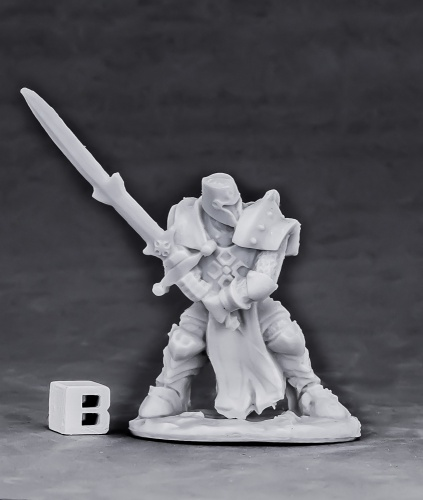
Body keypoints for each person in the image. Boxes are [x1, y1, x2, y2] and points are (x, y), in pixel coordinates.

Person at [139, 173, 350, 421]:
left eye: (234, 203)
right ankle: (170, 391)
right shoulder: (185, 220)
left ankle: (310, 390)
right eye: (224, 207)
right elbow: (182, 271)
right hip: (205, 307)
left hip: (255, 306)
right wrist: (195, 287)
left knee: (288, 339)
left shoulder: (264, 222)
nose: (233, 212)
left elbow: (263, 280)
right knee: (182, 345)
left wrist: (224, 301)